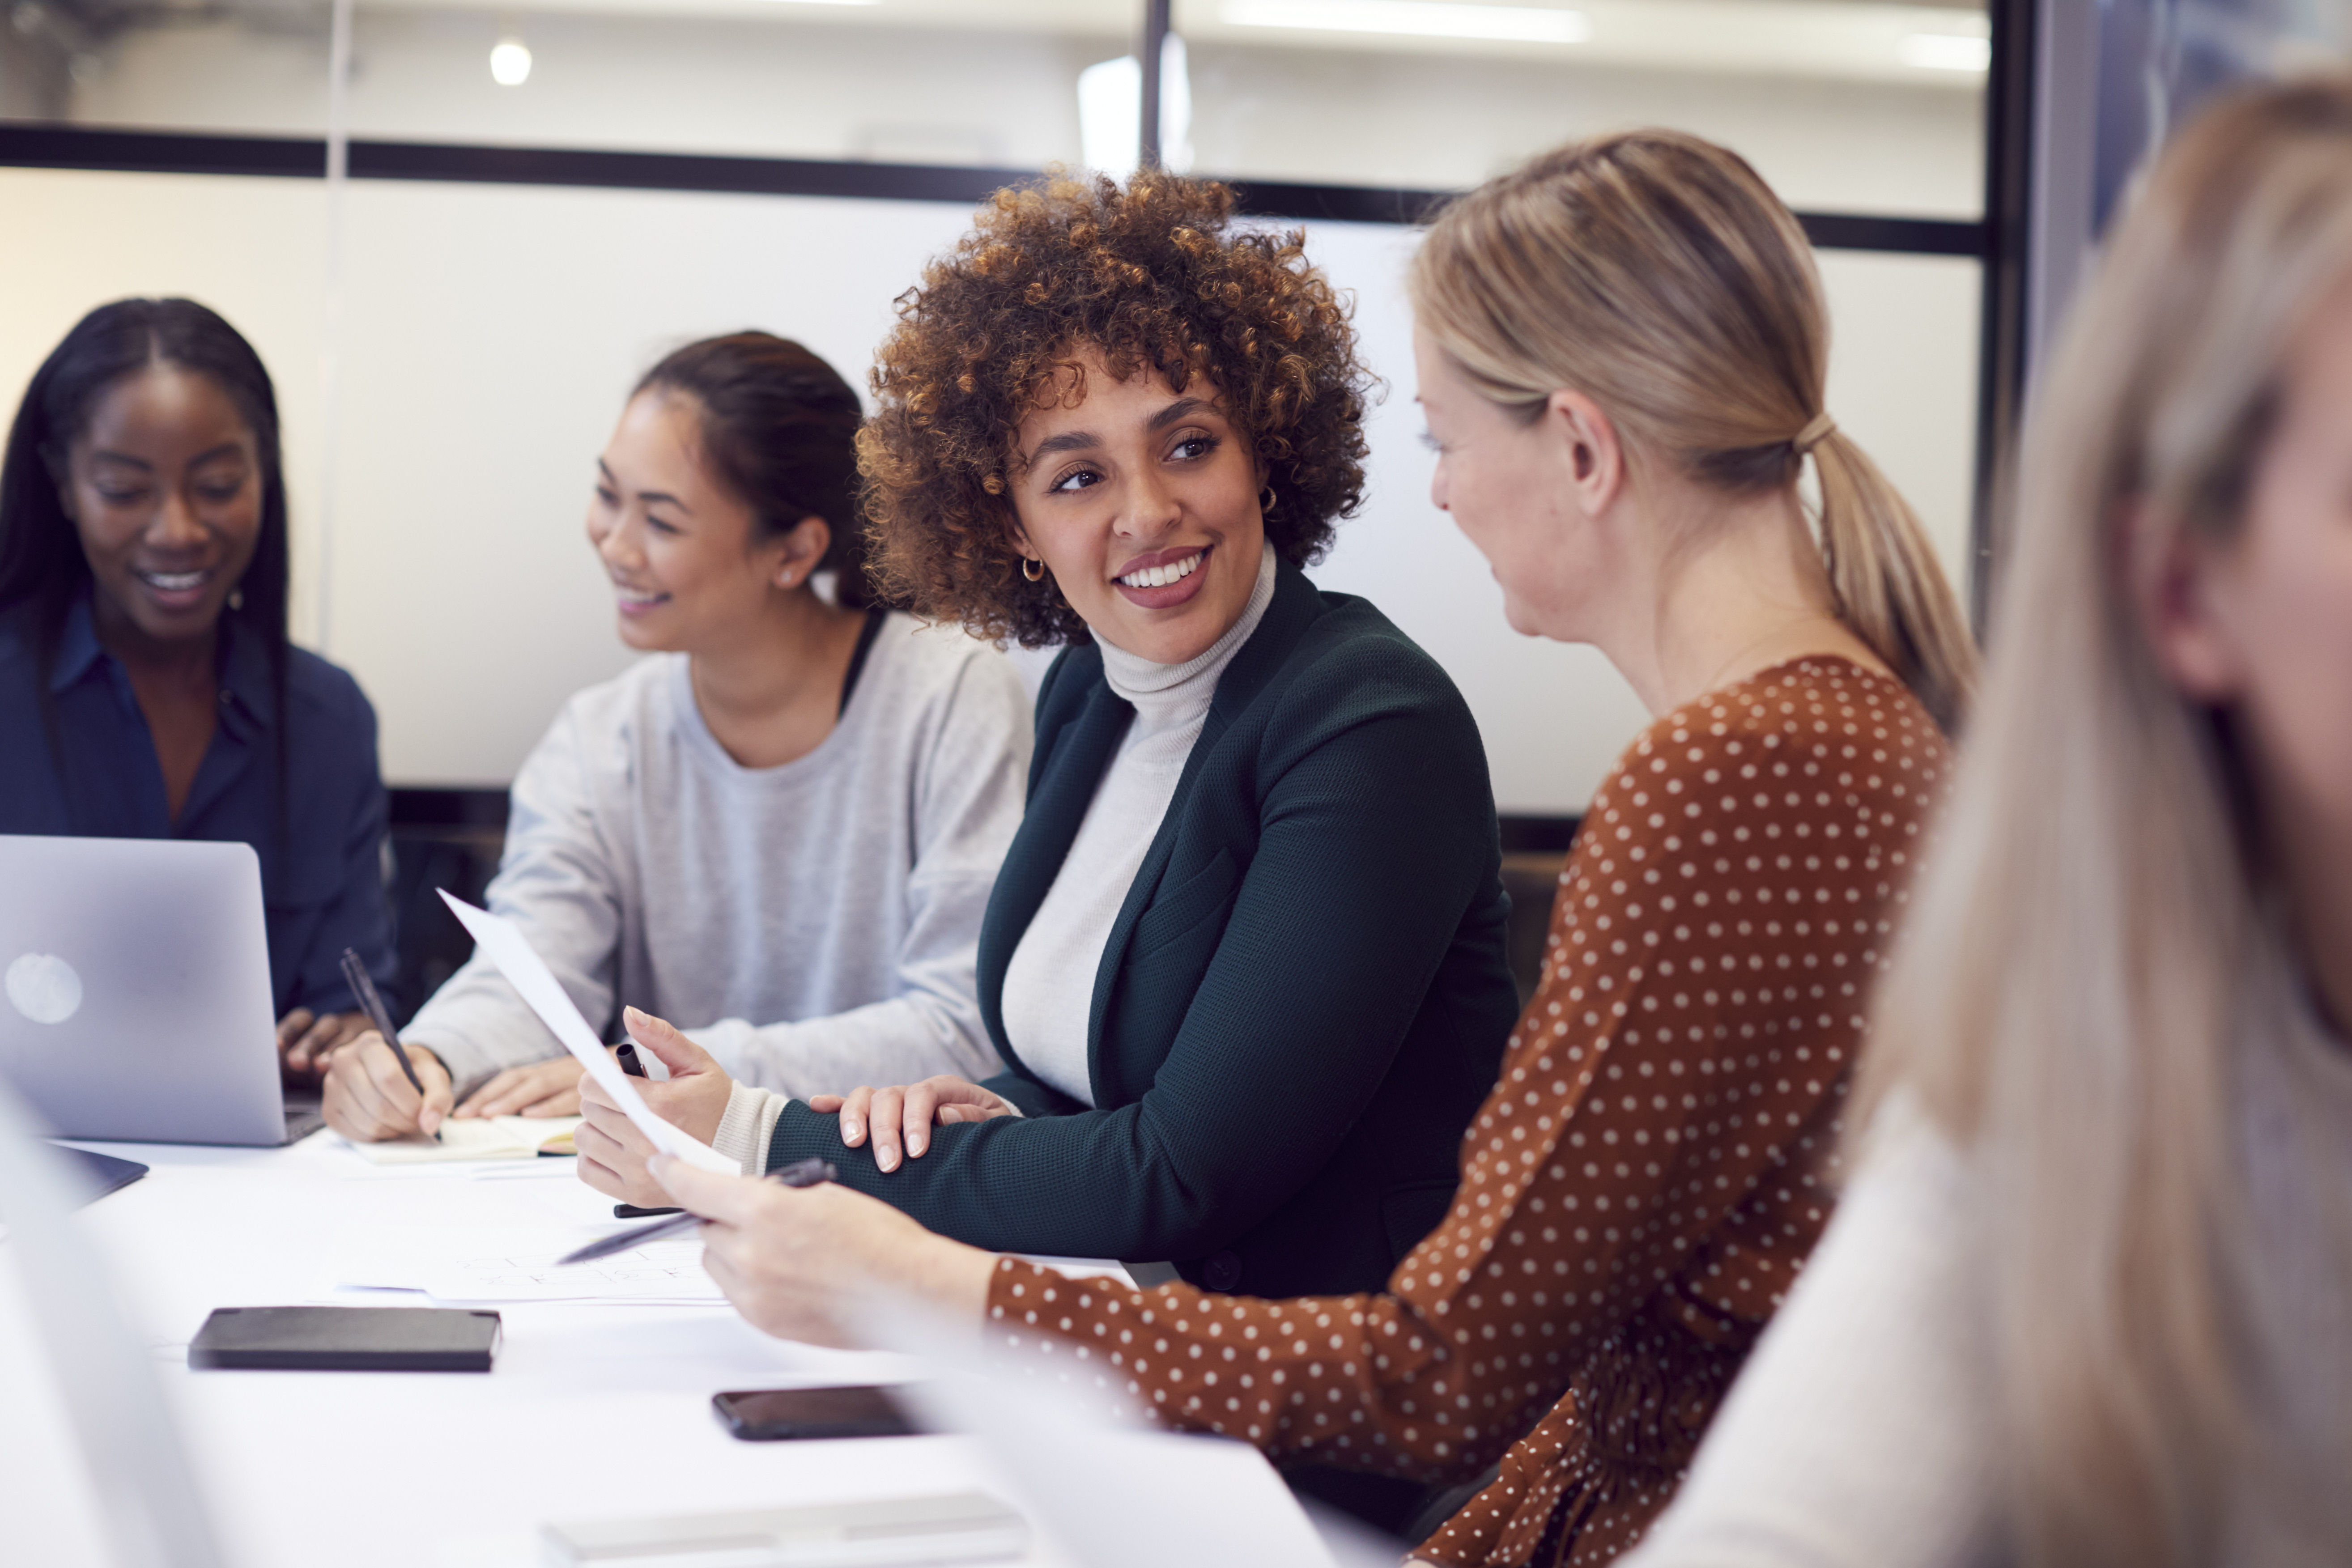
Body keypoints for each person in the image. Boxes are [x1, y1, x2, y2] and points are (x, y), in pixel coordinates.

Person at [590, 132, 1973, 1565]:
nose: (1436, 493)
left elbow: (1435, 1372)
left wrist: (926, 1275)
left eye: (1445, 440)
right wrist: (976, 1137)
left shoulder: (1728, 778)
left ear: (1577, 446)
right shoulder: (1812, 744)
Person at [1618, 78, 2352, 1568]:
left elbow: (1448, 1343)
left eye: (1444, 433)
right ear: (2180, 596)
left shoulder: (1749, 755)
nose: (1436, 490)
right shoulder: (2074, 1126)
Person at [574, 172, 1522, 1323]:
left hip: (1317, 1393)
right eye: (1076, 475)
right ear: (1013, 524)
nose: (1145, 512)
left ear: (1263, 450)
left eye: (1187, 444)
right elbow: (1093, 1070)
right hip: (1098, 1322)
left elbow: (1180, 1169)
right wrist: (964, 1110)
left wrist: (767, 1132)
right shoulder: (1090, 688)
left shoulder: (1366, 724)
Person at [323, 333, 1029, 1143]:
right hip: (661, 1188)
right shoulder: (599, 738)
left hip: (877, 1179)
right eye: (607, 494)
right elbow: (534, 968)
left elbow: (960, 1023)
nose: (615, 545)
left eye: (660, 518)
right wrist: (426, 1057)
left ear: (794, 550)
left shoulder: (951, 693)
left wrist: (670, 1071)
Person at [0, 298, 394, 1074]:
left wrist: (356, 1044)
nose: (177, 529)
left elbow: (357, 1001)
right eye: (124, 489)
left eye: (216, 485)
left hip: (265, 1175)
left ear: (264, 475)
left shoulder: (327, 719)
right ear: (63, 485)